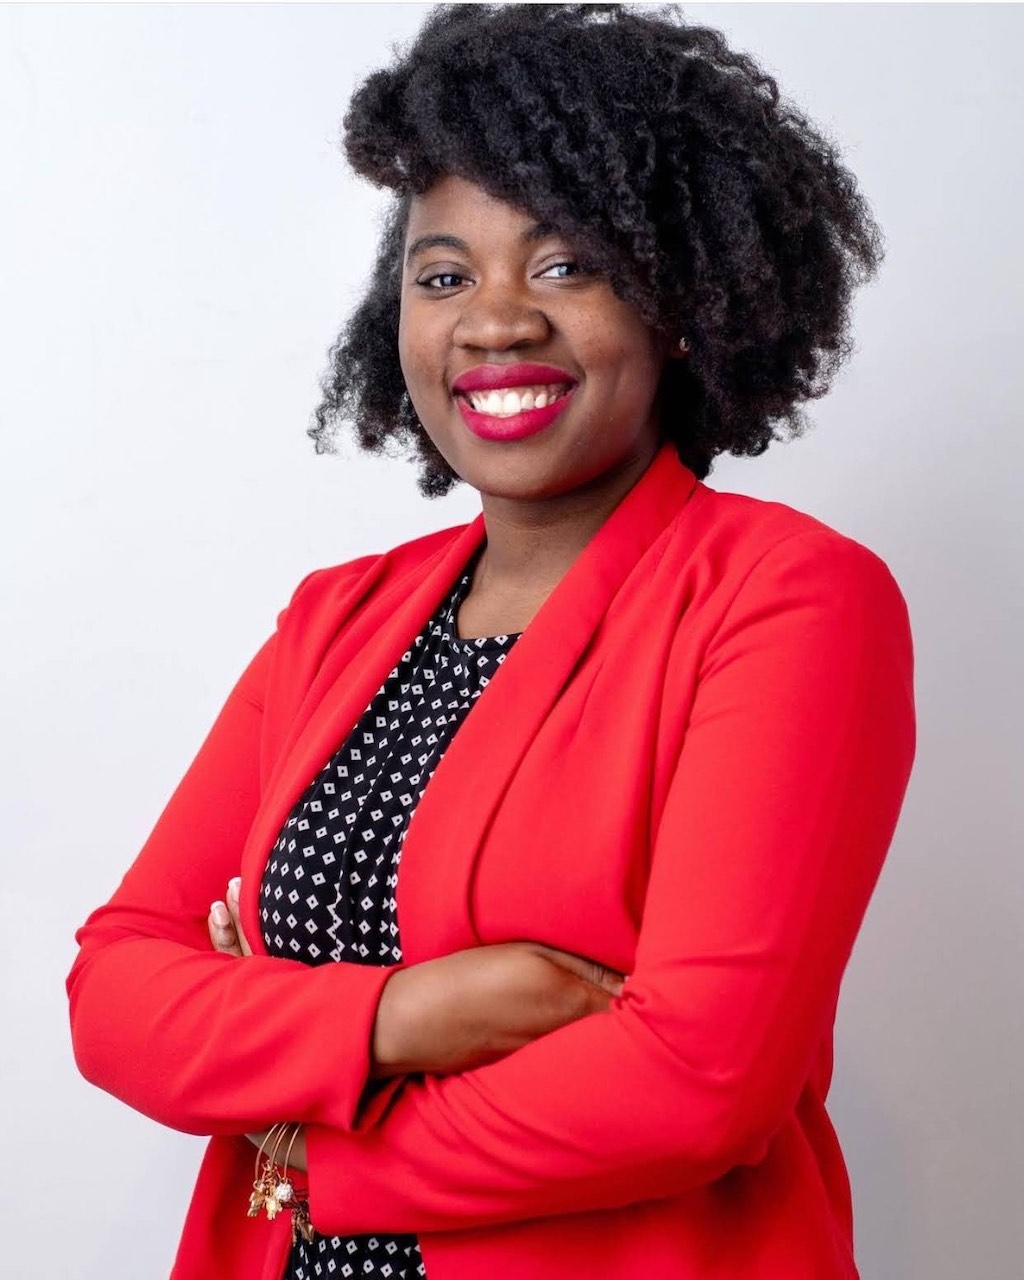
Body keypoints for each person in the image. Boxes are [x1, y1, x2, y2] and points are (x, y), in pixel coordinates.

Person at [66, 5, 917, 1279]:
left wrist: (304, 1139)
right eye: (444, 276)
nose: (495, 321)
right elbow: (117, 987)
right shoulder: (335, 617)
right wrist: (409, 1012)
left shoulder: (784, 598)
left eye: (567, 266)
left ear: (682, 303)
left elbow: (698, 1080)